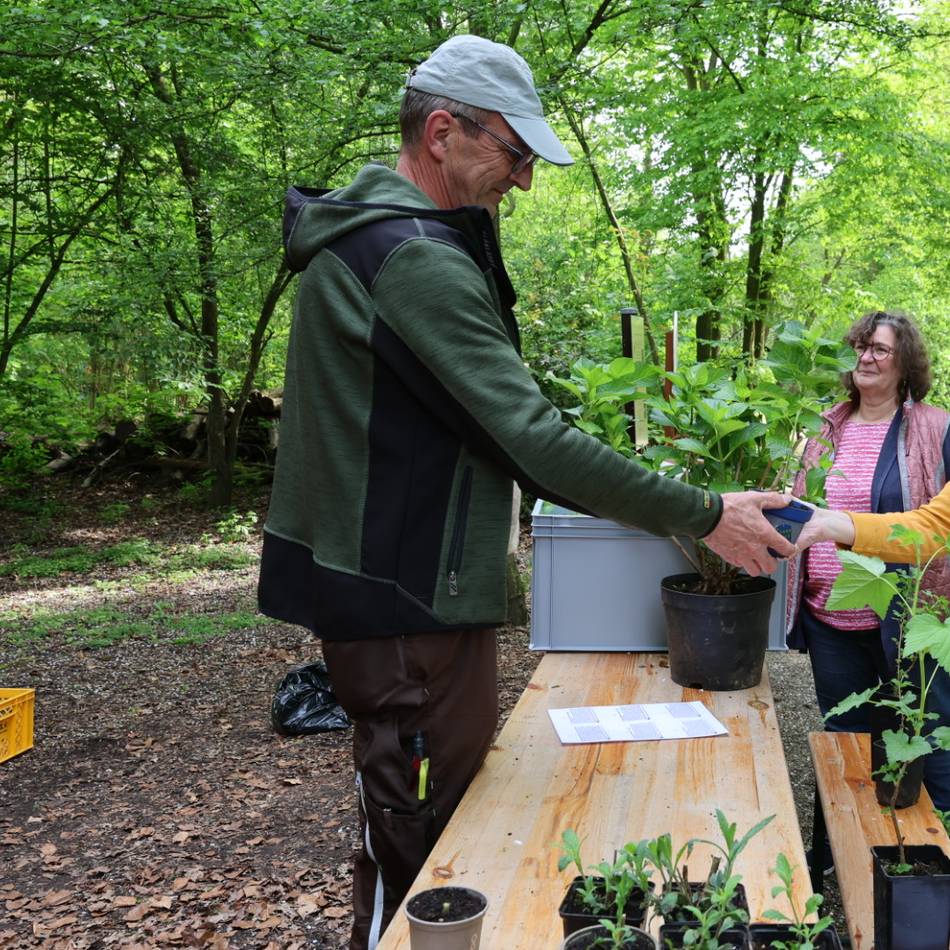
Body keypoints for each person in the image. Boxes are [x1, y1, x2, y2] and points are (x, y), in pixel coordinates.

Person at [258, 35, 792, 950]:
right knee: (426, 854)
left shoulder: (386, 243)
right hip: (401, 603)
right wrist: (705, 512)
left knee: (417, 819)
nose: (524, 180)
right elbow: (536, 442)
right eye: (514, 154)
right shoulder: (412, 258)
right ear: (441, 132)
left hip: (403, 596)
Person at [786, 310, 950, 821]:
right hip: (829, 617)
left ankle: (935, 844)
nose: (865, 356)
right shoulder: (825, 427)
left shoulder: (936, 427)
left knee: (927, 734)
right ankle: (853, 841)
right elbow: (802, 506)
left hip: (907, 616)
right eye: (860, 346)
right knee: (848, 740)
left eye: (880, 348)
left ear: (906, 363)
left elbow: (933, 526)